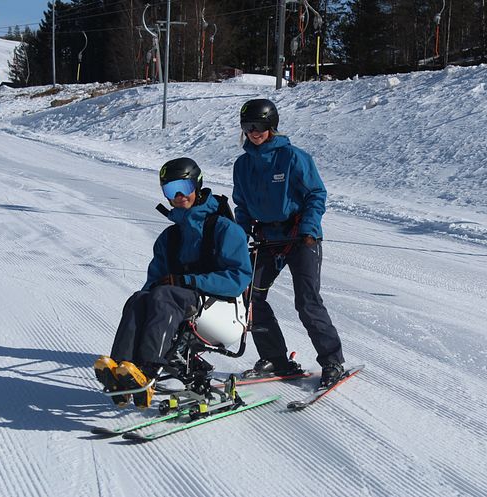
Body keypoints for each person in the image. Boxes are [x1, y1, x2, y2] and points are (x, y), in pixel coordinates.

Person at [94, 157, 252, 408]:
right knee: (140, 298)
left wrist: (186, 280)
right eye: (170, 190)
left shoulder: (224, 229)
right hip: (186, 307)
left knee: (164, 295)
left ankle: (148, 372)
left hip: (225, 312)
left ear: (197, 186)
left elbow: (238, 279)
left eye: (184, 188)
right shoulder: (169, 238)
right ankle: (123, 373)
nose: (179, 196)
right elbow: (153, 282)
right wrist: (150, 296)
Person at [232, 98, 345, 388]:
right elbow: (242, 206)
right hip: (267, 240)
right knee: (251, 299)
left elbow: (316, 195)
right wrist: (238, 234)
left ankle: (332, 361)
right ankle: (276, 359)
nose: (254, 132)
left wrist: (309, 228)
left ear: (272, 126)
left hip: (299, 237)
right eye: (248, 127)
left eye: (259, 126)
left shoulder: (294, 157)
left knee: (307, 301)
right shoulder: (242, 165)